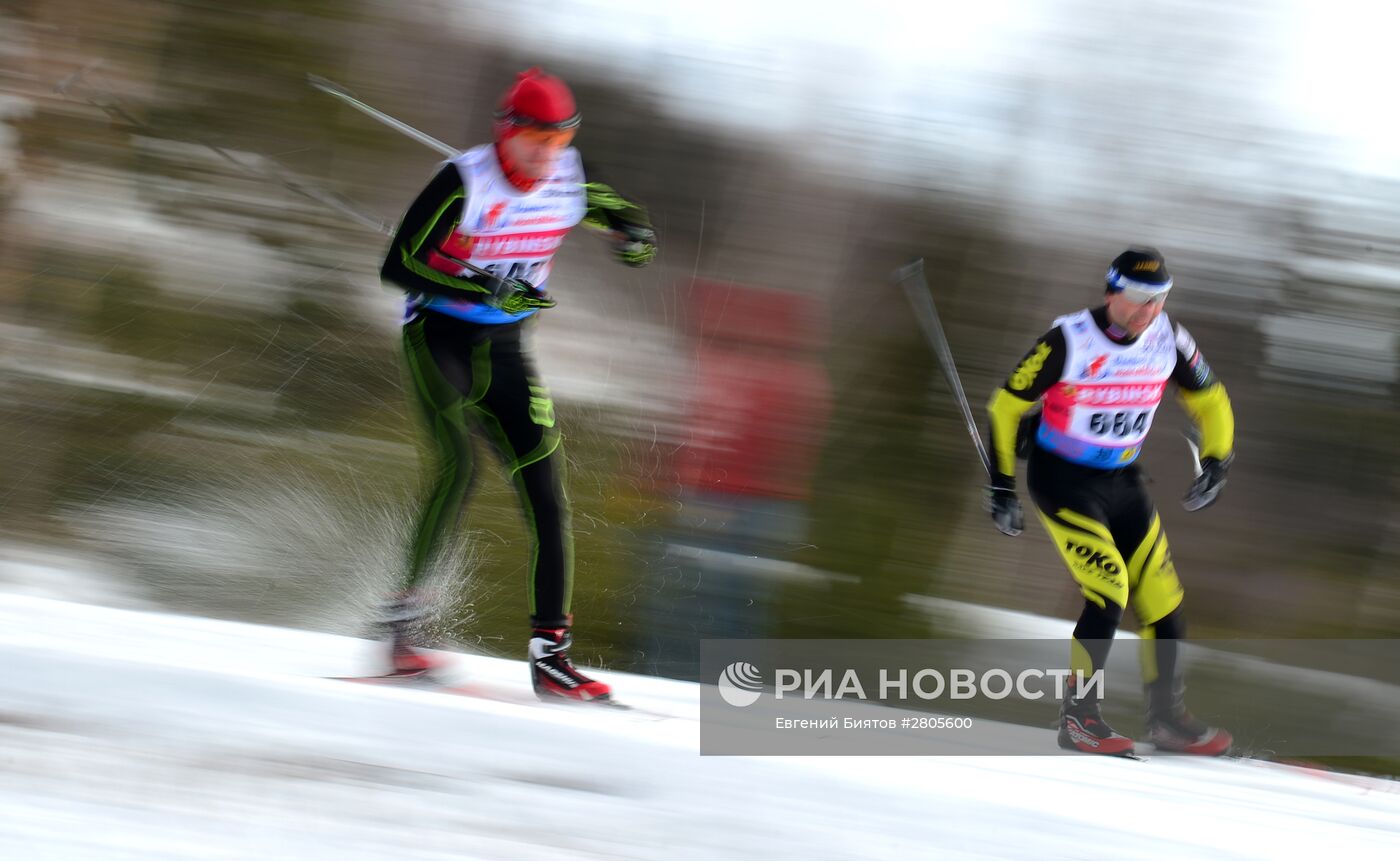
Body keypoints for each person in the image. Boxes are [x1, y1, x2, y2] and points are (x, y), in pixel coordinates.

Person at [376, 67, 657, 702]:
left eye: (559, 140)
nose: (546, 153)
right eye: (535, 139)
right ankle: (402, 628)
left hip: (503, 348)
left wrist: (634, 236)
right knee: (458, 467)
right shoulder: (464, 181)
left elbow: (618, 213)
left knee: (546, 492)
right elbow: (398, 265)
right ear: (507, 132)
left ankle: (550, 657)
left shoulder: (568, 177)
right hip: (437, 337)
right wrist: (482, 289)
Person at [985, 247, 1234, 756]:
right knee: (1109, 589)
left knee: (1163, 598)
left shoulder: (1170, 338)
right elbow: (1006, 407)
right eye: (1138, 297)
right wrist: (1002, 486)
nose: (1148, 310)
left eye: (1159, 299)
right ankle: (1079, 719)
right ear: (1111, 292)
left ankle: (1167, 721)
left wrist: (1217, 461)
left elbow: (1211, 399)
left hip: (1122, 479)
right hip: (1063, 482)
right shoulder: (1068, 340)